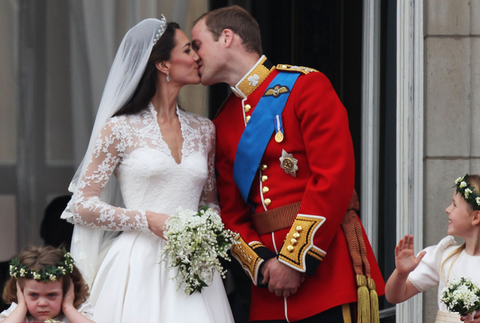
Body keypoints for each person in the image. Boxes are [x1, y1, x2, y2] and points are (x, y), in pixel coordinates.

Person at [191, 5, 385, 323]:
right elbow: (232, 213)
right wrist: (264, 263)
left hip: (327, 273)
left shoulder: (306, 86)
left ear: (226, 37)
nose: (194, 56)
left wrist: (294, 261)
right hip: (268, 291)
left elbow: (333, 178)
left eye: (197, 44)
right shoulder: (223, 122)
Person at [60, 17, 234, 323]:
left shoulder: (205, 130)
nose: (197, 56)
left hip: (193, 267)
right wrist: (147, 219)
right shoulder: (119, 128)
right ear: (163, 65)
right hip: (137, 264)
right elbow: (81, 205)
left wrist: (207, 230)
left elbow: (210, 201)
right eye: (187, 49)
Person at [385, 174, 480, 323]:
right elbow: (394, 296)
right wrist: (401, 274)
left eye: (454, 204)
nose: (447, 209)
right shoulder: (444, 256)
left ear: (475, 217)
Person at [0, 245, 94, 322]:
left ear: (67, 291)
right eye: (33, 295)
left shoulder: (77, 312)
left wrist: (68, 307)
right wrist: (21, 307)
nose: (42, 303)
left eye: (51, 294)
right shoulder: (16, 315)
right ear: (20, 292)